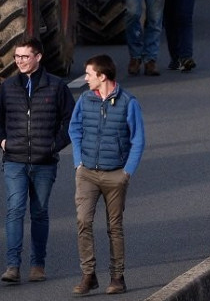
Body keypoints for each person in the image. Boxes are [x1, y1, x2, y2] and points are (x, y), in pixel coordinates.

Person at [0, 36, 75, 284]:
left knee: (39, 212)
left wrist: (53, 145)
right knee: (15, 210)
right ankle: (12, 266)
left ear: (38, 57)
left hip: (44, 162)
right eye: (17, 57)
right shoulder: (8, 86)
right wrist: (2, 142)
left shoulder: (56, 86)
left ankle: (38, 265)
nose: (20, 61)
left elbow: (71, 121)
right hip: (14, 160)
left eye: (25, 57)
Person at [69, 55, 146, 295]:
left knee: (115, 227)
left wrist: (127, 172)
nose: (85, 78)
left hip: (115, 175)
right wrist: (78, 162)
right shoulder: (84, 99)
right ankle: (88, 275)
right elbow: (74, 128)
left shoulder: (128, 102)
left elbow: (138, 139)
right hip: (87, 173)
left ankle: (117, 277)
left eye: (89, 74)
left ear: (102, 77)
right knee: (83, 221)